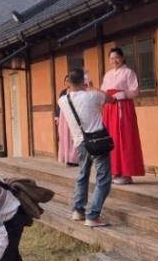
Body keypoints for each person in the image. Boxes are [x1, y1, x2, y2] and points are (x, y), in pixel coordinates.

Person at [58, 69, 117, 227]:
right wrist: (91, 87)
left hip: (80, 143)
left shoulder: (63, 100)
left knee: (83, 174)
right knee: (104, 178)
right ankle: (93, 215)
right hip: (97, 141)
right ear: (84, 81)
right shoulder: (94, 95)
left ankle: (78, 210)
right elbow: (112, 100)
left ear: (68, 82)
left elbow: (66, 92)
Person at [101, 47, 145, 184]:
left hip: (123, 107)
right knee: (111, 137)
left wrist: (122, 95)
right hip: (109, 107)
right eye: (111, 58)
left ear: (122, 57)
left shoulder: (128, 73)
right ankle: (114, 171)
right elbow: (103, 90)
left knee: (124, 137)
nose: (114, 60)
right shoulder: (108, 74)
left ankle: (126, 173)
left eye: (117, 58)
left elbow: (135, 90)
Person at [56, 84, 79, 166]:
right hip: (64, 118)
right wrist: (57, 117)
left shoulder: (77, 92)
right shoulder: (63, 93)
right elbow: (58, 106)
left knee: (73, 139)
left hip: (72, 117)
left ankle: (74, 159)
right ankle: (67, 158)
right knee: (65, 139)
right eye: (66, 81)